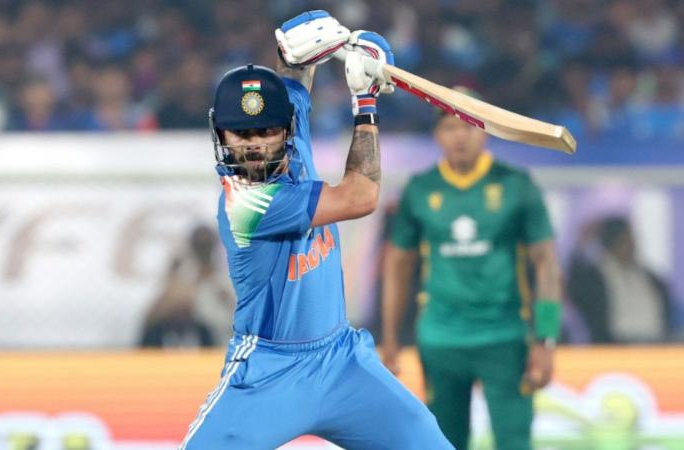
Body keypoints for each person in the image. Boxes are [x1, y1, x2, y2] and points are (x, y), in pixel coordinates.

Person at [180, 10, 451, 450]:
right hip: (270, 372)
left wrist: (304, 47)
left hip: (342, 360)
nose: (254, 145)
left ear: (288, 128)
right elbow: (360, 197)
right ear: (221, 136)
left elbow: (293, 77)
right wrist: (365, 98)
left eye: (265, 131)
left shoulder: (295, 128)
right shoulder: (245, 203)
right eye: (240, 134)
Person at [381, 90, 563, 450]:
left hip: (505, 337)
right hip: (441, 339)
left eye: (468, 125)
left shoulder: (515, 184)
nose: (459, 136)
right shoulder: (420, 189)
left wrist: (546, 338)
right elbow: (398, 266)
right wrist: (389, 339)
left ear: (485, 130)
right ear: (436, 135)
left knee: (514, 442)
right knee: (445, 443)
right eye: (449, 127)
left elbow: (546, 264)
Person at [568, 216, 673, 343]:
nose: (632, 244)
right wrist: (582, 244)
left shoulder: (651, 278)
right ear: (612, 241)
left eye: (632, 239)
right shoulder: (593, 278)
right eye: (625, 239)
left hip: (657, 345)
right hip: (614, 346)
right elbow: (574, 288)